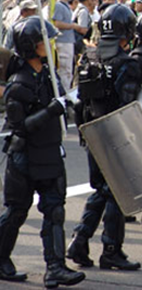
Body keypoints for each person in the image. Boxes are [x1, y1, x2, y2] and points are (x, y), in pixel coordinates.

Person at [0, 17, 86, 287]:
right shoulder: (18, 84)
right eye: (43, 41)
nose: (49, 44)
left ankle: (56, 267)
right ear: (31, 46)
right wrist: (52, 109)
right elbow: (20, 127)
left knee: (55, 211)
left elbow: (64, 107)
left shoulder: (49, 75)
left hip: (49, 153)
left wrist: (74, 100)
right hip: (25, 157)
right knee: (16, 212)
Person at [67, 4, 141, 271]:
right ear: (126, 33)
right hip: (115, 135)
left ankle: (80, 239)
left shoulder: (88, 58)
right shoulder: (127, 64)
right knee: (116, 193)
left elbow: (78, 102)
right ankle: (111, 249)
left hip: (92, 132)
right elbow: (127, 108)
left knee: (102, 190)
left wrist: (85, 133)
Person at [52, 0, 88, 89]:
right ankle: (63, 93)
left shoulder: (66, 5)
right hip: (63, 41)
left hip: (68, 41)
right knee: (64, 70)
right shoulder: (59, 5)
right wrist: (73, 26)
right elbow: (56, 23)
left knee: (68, 71)